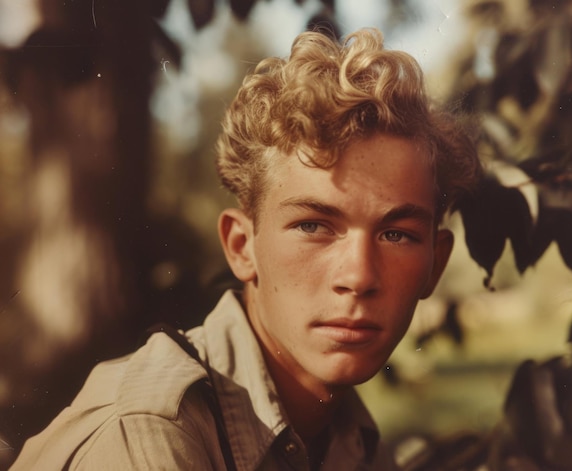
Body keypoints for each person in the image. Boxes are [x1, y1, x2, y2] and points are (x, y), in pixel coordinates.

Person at [10, 27, 481, 470]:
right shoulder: (147, 436)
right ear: (241, 247)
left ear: (434, 264)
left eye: (396, 235)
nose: (358, 276)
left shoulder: (345, 434)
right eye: (314, 225)